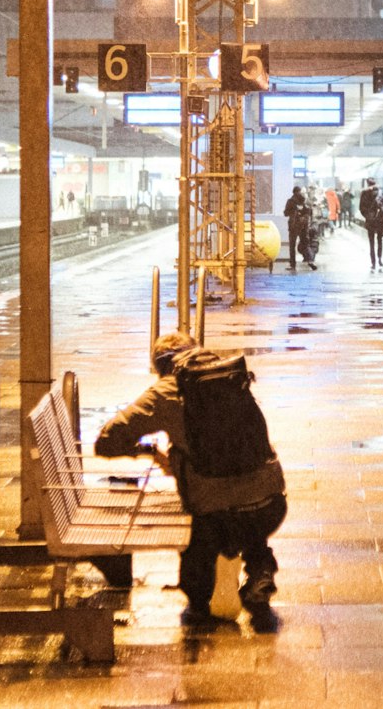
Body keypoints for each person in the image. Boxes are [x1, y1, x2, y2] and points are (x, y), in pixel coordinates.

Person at [95, 331, 286, 626]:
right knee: (243, 500)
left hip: (217, 516)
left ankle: (199, 605)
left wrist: (148, 452)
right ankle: (260, 567)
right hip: (271, 503)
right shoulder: (229, 375)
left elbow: (107, 440)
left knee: (204, 541)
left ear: (160, 367)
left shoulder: (165, 391)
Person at [358, 178, 383, 271]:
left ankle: (373, 263)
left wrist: (368, 216)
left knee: (371, 243)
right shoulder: (382, 193)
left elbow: (361, 208)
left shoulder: (364, 193)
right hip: (380, 221)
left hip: (370, 222)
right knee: (380, 240)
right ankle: (380, 259)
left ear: (367, 184)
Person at [281, 186, 312, 272]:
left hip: (294, 226)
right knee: (305, 243)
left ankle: (293, 265)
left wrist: (292, 212)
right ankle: (310, 260)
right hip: (303, 226)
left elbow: (285, 213)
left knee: (292, 246)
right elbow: (309, 212)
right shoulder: (304, 200)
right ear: (299, 192)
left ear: (293, 192)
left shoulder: (291, 201)